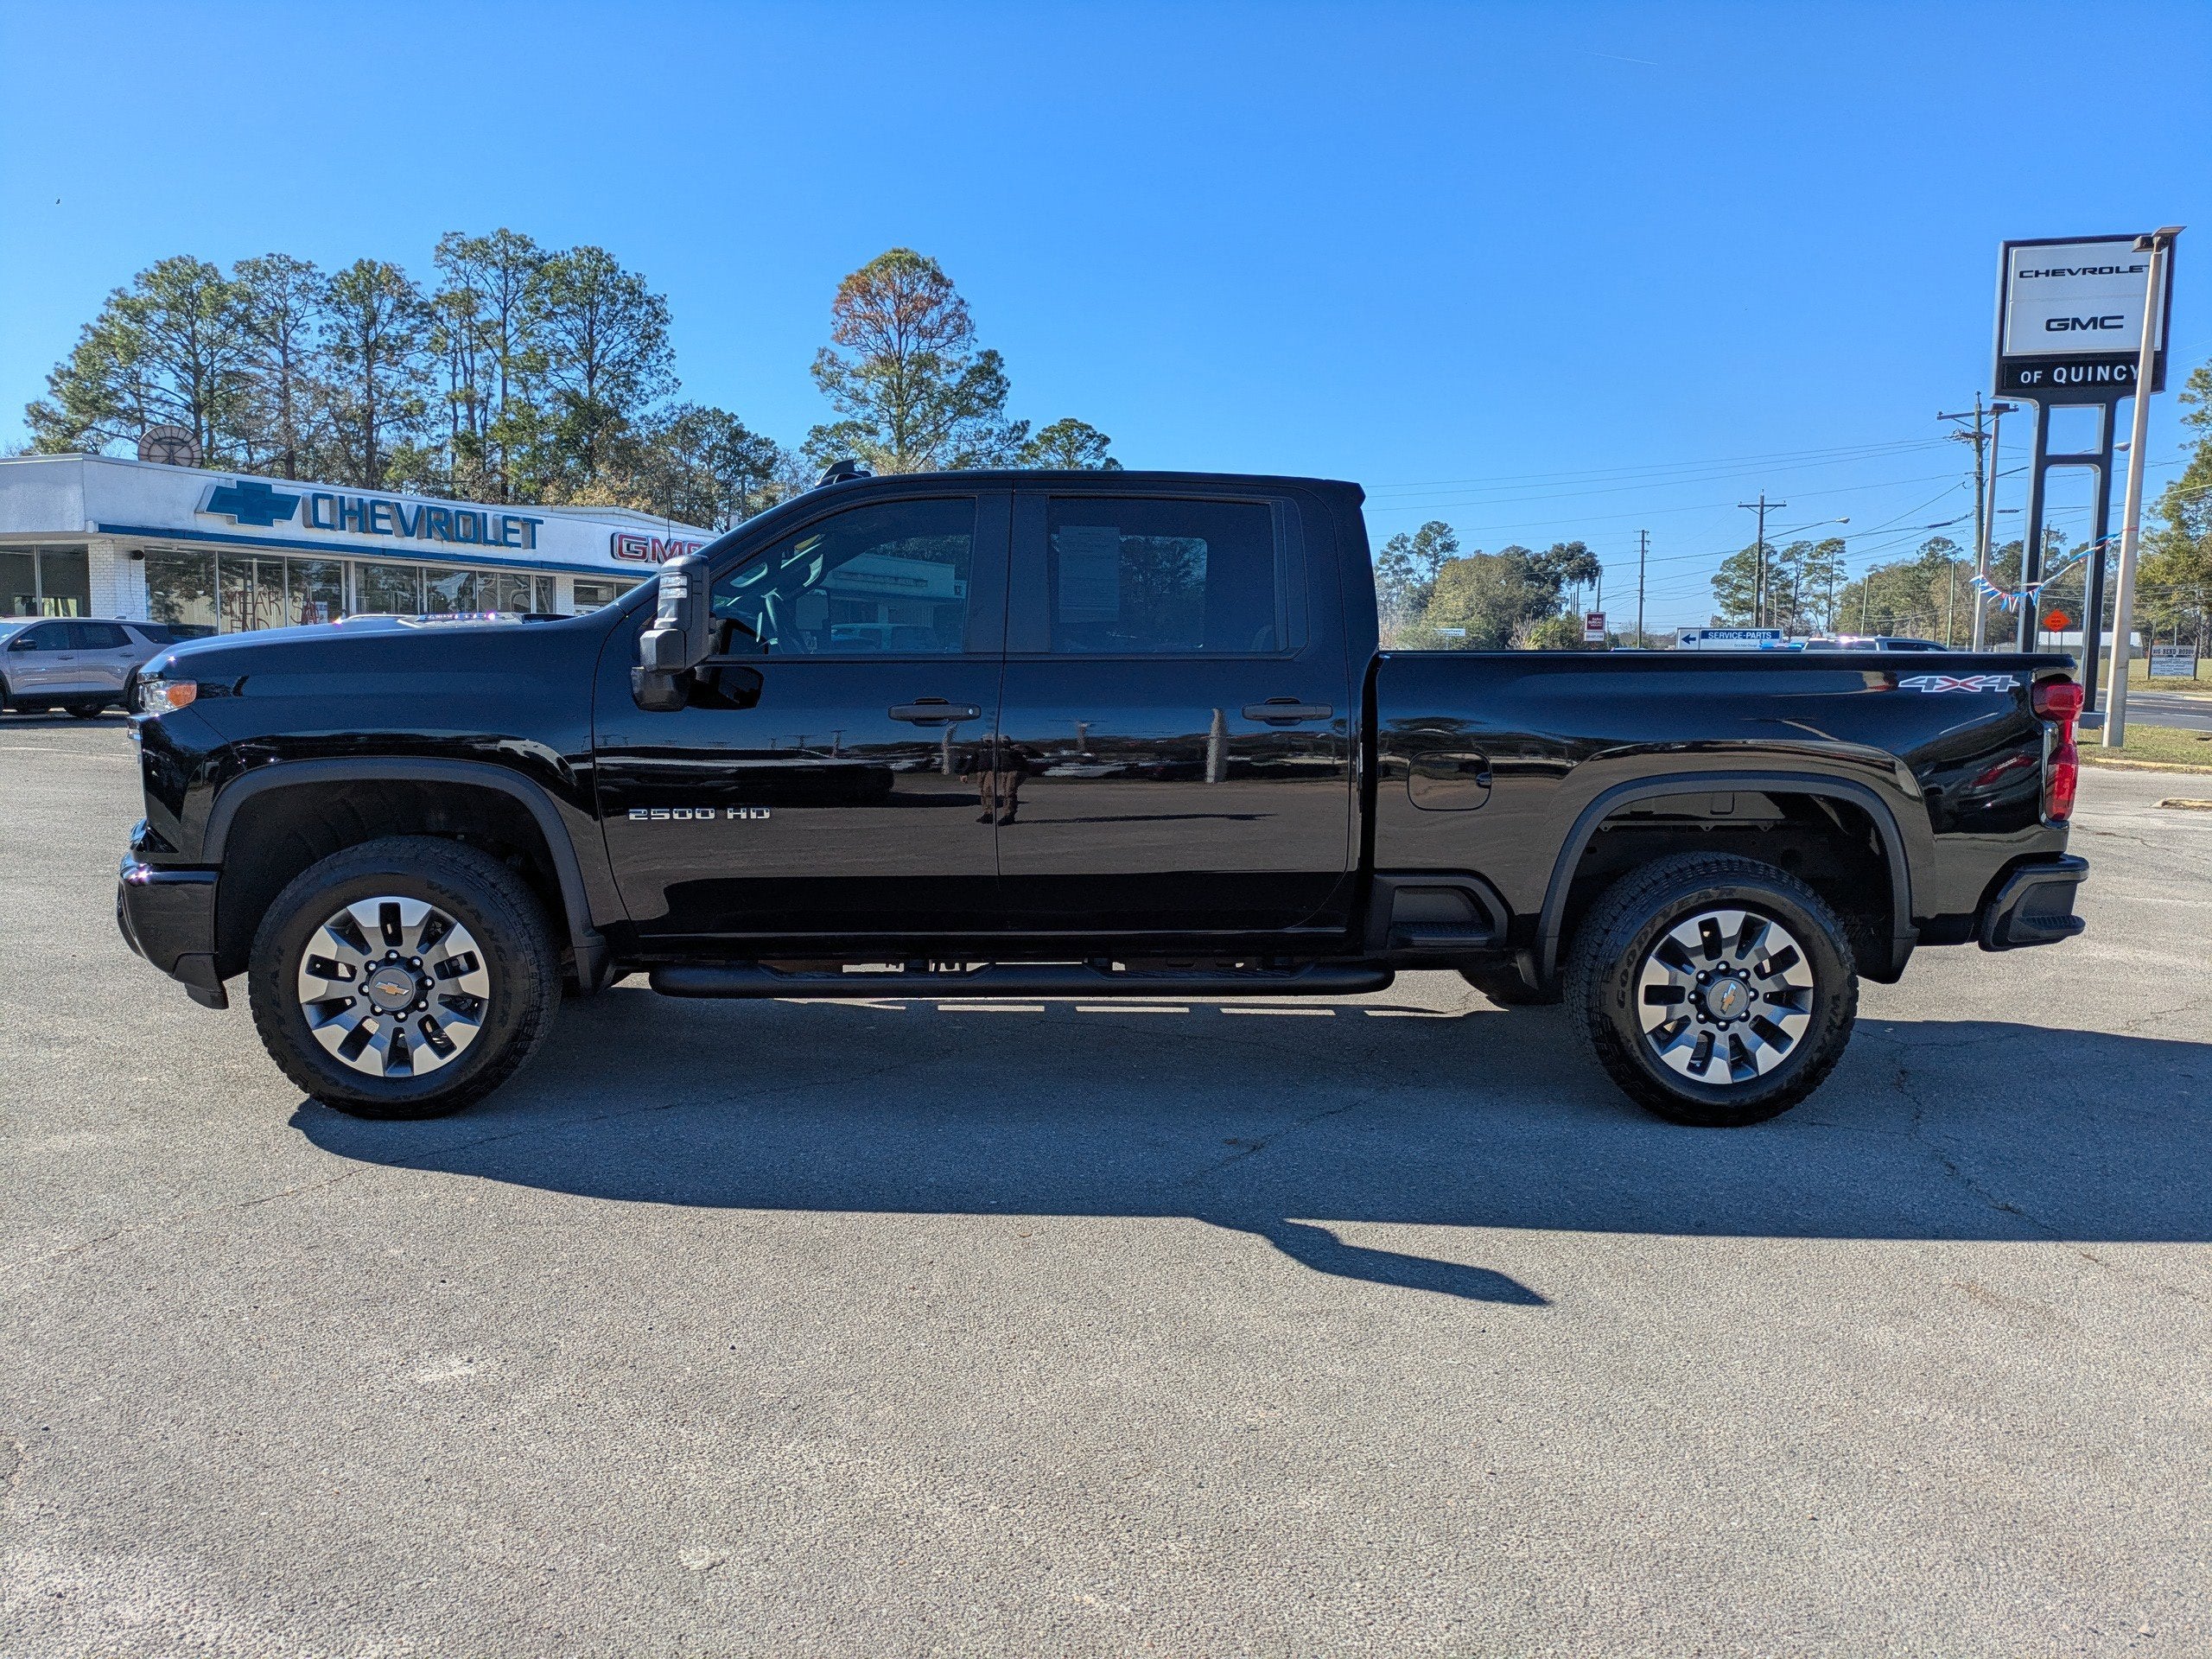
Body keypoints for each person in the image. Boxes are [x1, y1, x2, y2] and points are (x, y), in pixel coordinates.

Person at [961, 734, 1033, 824]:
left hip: (1004, 771)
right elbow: (972, 760)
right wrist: (965, 772)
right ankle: (988, 813)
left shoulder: (1008, 748)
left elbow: (1021, 756)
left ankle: (1008, 815)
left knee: (1005, 792)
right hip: (990, 771)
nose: (989, 743)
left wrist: (1023, 750)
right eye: (987, 741)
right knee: (985, 792)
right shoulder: (980, 749)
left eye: (990, 741)